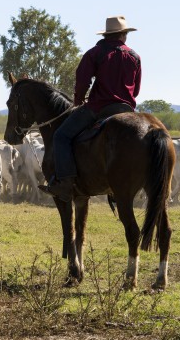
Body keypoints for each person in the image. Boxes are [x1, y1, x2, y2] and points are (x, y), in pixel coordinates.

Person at [40, 15, 142, 202]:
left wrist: (78, 100)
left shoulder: (95, 53)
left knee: (61, 136)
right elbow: (136, 90)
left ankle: (65, 182)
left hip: (99, 108)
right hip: (126, 109)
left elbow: (82, 81)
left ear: (107, 35)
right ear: (123, 35)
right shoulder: (134, 57)